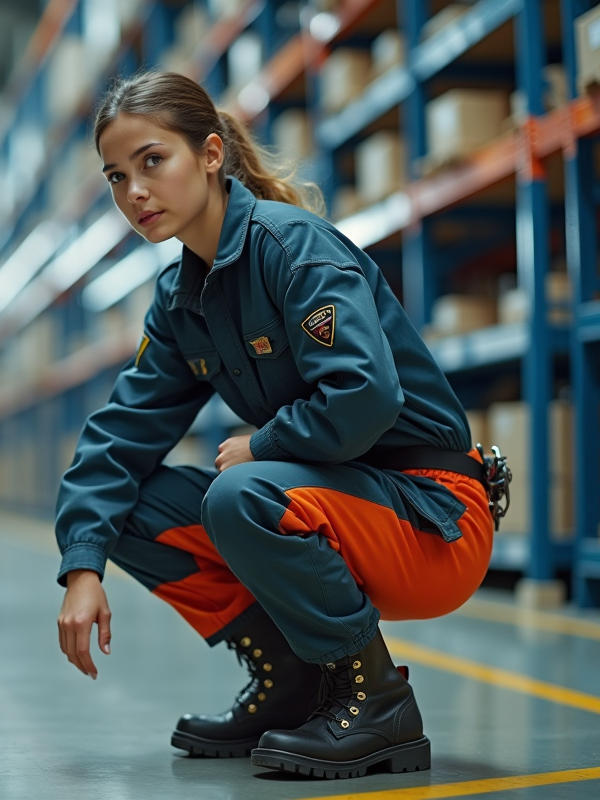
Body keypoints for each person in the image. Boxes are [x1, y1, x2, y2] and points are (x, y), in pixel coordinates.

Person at [54, 71, 497, 780]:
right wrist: (82, 565)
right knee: (129, 507)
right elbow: (120, 434)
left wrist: (263, 445)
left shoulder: (293, 249)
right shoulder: (180, 300)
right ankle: (292, 682)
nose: (133, 191)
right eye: (115, 176)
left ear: (209, 155)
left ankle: (377, 702)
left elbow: (363, 394)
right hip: (341, 503)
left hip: (433, 516)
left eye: (151, 162)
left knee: (242, 493)